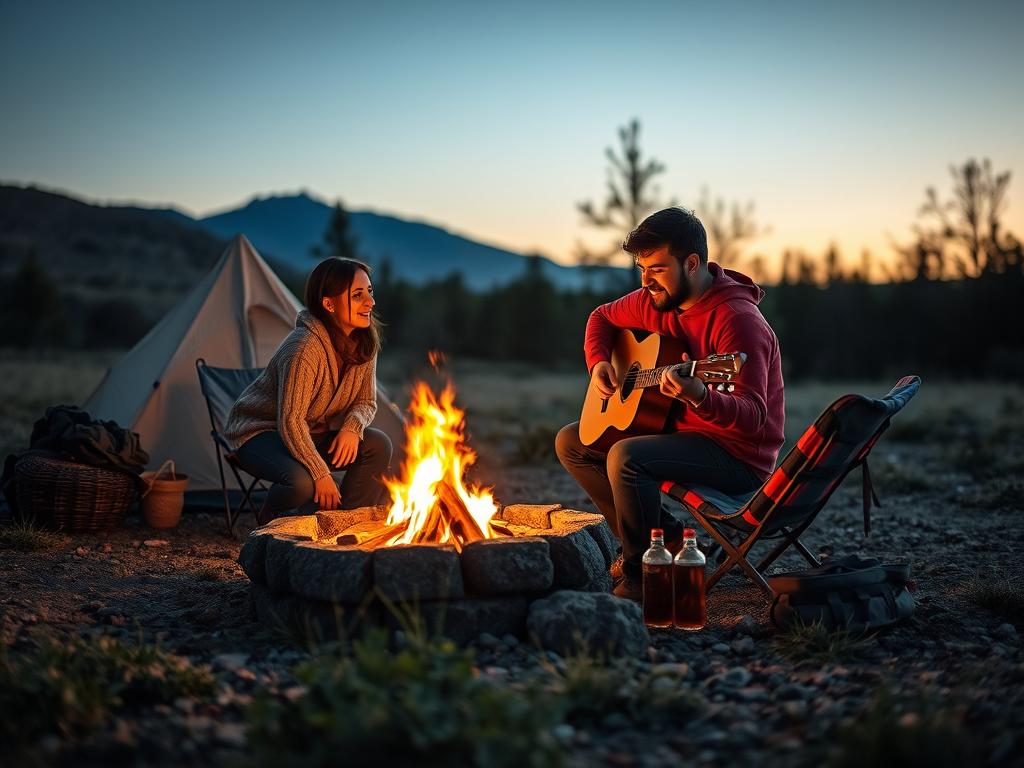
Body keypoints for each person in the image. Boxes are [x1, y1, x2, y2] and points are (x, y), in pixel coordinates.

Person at [555, 208, 785, 601]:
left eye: (657, 269)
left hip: (736, 455)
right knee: (571, 443)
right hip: (676, 431)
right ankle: (670, 541)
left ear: (692, 263)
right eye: (641, 268)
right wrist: (599, 364)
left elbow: (753, 419)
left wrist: (700, 396)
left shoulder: (738, 321)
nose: (645, 281)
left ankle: (645, 579)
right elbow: (601, 318)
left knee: (627, 457)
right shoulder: (656, 299)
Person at [224, 257, 393, 523]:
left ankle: (346, 523)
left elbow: (366, 401)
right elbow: (290, 421)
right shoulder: (303, 349)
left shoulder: (363, 343)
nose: (370, 302)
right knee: (303, 482)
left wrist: (352, 427)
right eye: (358, 295)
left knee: (377, 444)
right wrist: (320, 473)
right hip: (259, 434)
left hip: (306, 431)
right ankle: (271, 519)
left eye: (369, 292)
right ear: (329, 304)